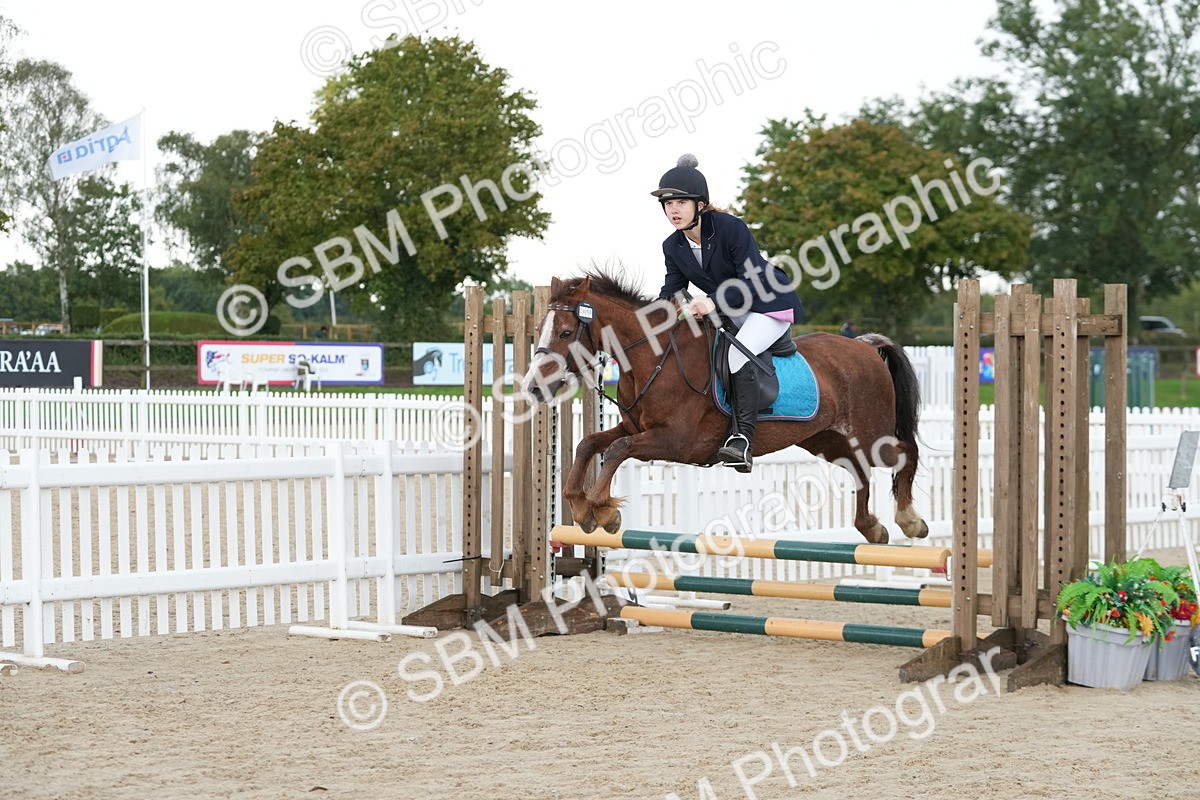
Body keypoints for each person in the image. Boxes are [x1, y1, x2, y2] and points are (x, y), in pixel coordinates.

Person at [653, 154, 803, 473]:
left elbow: (751, 279)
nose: (673, 210)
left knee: (736, 356)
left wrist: (710, 302)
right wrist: (650, 324)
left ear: (700, 204)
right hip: (731, 311)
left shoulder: (730, 228)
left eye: (680, 202)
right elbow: (672, 291)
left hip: (768, 302)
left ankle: (742, 440)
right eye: (667, 204)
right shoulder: (672, 247)